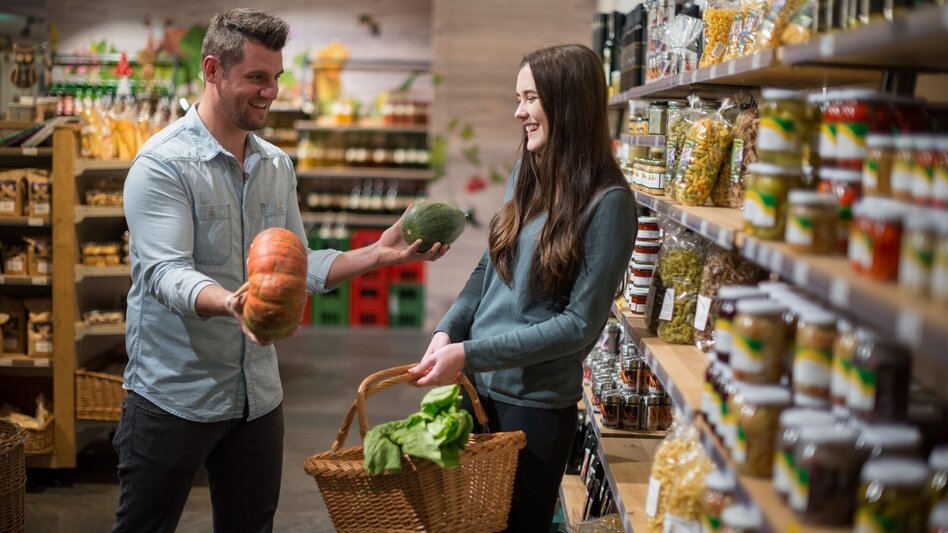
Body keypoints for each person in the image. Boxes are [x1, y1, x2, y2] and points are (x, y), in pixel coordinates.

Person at [115, 8, 447, 532]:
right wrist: (230, 301)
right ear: (212, 70)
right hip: (173, 394)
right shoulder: (162, 165)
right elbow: (164, 273)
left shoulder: (275, 166)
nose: (271, 92)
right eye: (256, 77)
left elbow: (300, 263)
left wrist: (380, 254)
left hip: (257, 399)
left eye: (275, 78)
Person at [409, 43, 636, 531]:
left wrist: (470, 354)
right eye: (520, 97)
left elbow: (578, 327)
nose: (519, 111)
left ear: (567, 101)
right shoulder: (526, 174)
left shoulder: (609, 204)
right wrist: (448, 332)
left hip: (533, 411)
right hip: (475, 393)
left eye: (530, 98)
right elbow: (487, 271)